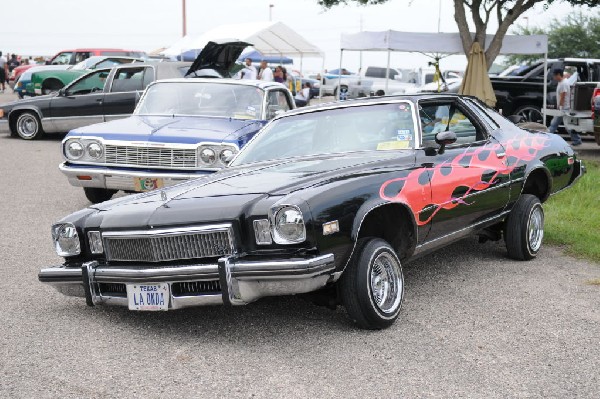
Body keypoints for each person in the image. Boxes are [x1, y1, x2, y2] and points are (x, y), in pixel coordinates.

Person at [548, 68, 582, 146]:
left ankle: (547, 138)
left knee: (553, 124)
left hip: (564, 108)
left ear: (558, 75)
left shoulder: (563, 83)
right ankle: (577, 140)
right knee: (568, 125)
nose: (553, 78)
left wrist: (560, 106)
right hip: (564, 107)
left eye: (554, 76)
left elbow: (563, 96)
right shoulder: (562, 82)